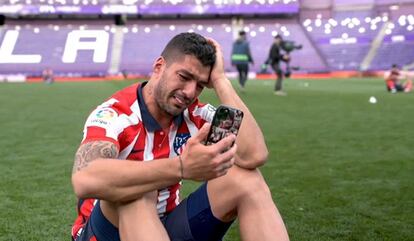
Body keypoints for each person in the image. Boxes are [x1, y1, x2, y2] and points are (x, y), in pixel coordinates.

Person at [71, 32, 289, 241]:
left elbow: (253, 155)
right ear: (159, 67)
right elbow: (85, 178)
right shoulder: (117, 114)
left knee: (246, 178)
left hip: (163, 226)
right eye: (184, 77)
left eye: (200, 85)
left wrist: (221, 81)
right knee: (140, 192)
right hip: (104, 233)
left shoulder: (195, 114)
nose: (189, 92)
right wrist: (181, 167)